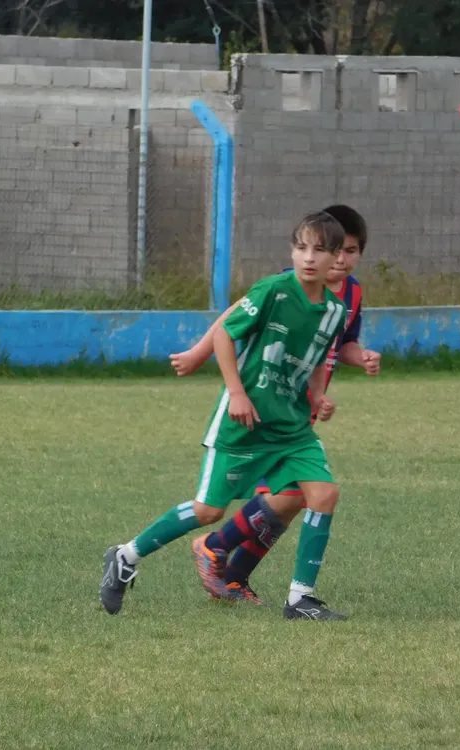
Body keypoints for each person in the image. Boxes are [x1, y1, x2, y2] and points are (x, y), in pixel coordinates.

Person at [99, 210, 351, 621]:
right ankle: (126, 555)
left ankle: (300, 600)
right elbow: (224, 333)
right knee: (208, 511)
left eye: (320, 250)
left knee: (324, 494)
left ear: (335, 258)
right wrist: (236, 392)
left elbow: (318, 356)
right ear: (292, 250)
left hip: (291, 427)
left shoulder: (335, 311)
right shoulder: (273, 290)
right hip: (244, 422)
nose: (309, 257)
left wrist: (319, 394)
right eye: (301, 247)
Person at [170, 205, 380, 605]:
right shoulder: (293, 284)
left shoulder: (350, 295)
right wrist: (198, 352)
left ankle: (233, 575)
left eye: (350, 252)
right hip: (266, 408)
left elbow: (341, 344)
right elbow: (234, 317)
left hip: (298, 413)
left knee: (293, 500)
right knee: (287, 496)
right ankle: (215, 547)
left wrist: (362, 356)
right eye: (336, 250)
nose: (340, 259)